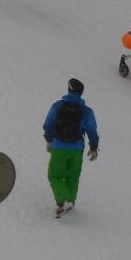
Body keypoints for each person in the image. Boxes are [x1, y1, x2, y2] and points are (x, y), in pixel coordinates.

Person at [43, 78, 99, 218]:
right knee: (72, 176)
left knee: (55, 175)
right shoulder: (86, 111)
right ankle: (71, 201)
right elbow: (92, 130)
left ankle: (64, 201)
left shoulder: (57, 106)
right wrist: (94, 147)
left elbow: (48, 124)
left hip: (59, 147)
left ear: (69, 89)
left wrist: (49, 141)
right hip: (77, 149)